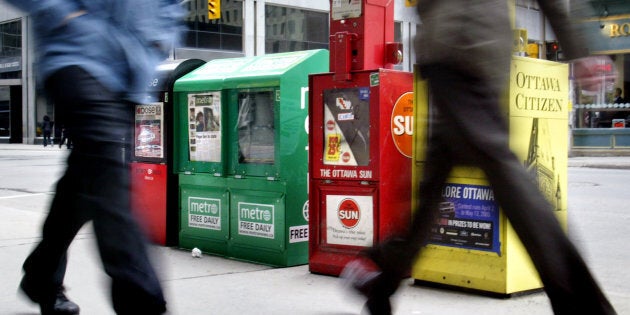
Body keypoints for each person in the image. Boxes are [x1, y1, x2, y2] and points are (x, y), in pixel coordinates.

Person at [342, 1, 618, 315]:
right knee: (500, 176)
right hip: (467, 46)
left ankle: (382, 276)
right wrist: (579, 51)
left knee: (455, 181)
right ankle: (584, 307)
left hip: (456, 48)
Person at [4, 1, 185, 314]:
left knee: (80, 188)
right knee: (111, 180)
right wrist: (62, 14)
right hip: (77, 58)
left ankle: (40, 276)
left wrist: (158, 37)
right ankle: (142, 303)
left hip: (130, 72)